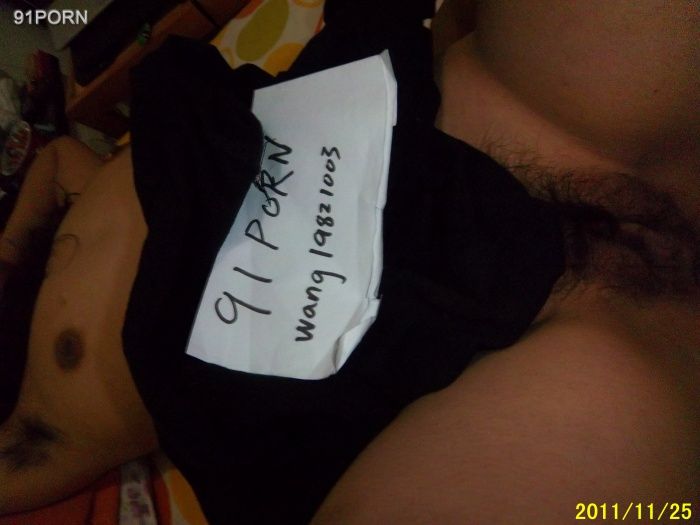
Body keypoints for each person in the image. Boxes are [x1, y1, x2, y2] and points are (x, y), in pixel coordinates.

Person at [1, 0, 699, 523]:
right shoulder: (36, 418)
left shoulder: (72, 188)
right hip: (526, 364)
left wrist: (9, 247)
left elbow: (55, 154)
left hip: (513, 113)